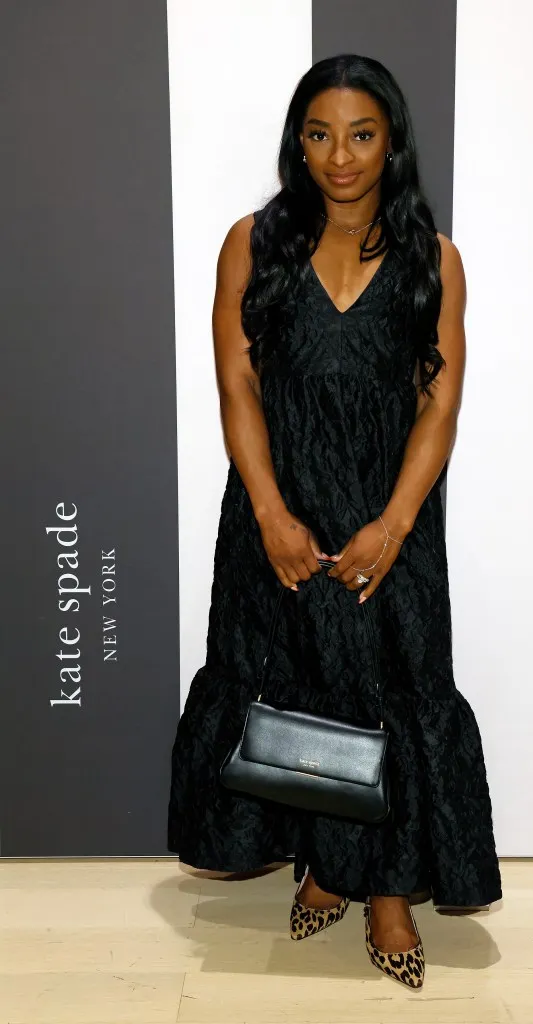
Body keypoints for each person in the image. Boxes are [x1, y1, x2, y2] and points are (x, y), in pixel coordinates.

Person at [167, 53, 502, 990]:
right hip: (279, 506)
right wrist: (270, 511)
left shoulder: (434, 260)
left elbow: (439, 403)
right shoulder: (252, 243)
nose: (339, 156)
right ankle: (321, 864)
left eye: (360, 134)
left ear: (390, 140)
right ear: (296, 143)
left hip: (388, 512)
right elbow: (236, 378)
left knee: (393, 685)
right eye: (318, 135)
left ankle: (388, 891)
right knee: (297, 685)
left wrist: (394, 525)